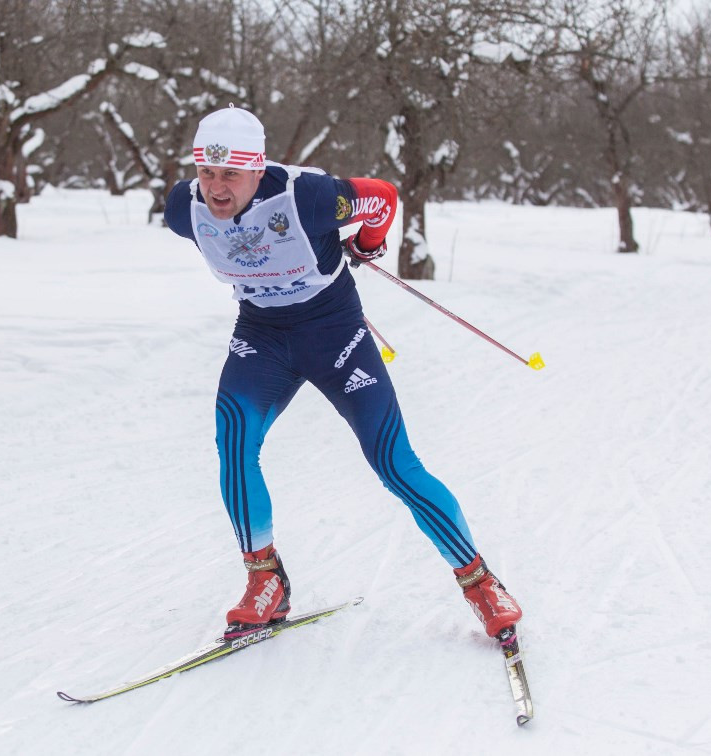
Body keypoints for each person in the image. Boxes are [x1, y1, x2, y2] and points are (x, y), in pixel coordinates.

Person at [163, 105, 522, 648]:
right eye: (207, 173)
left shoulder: (306, 197)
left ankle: (480, 583)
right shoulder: (180, 209)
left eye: (230, 174)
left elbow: (380, 196)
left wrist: (371, 242)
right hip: (261, 336)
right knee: (234, 441)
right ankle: (266, 581)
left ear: (258, 168)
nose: (216, 188)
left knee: (393, 462)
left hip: (334, 334)